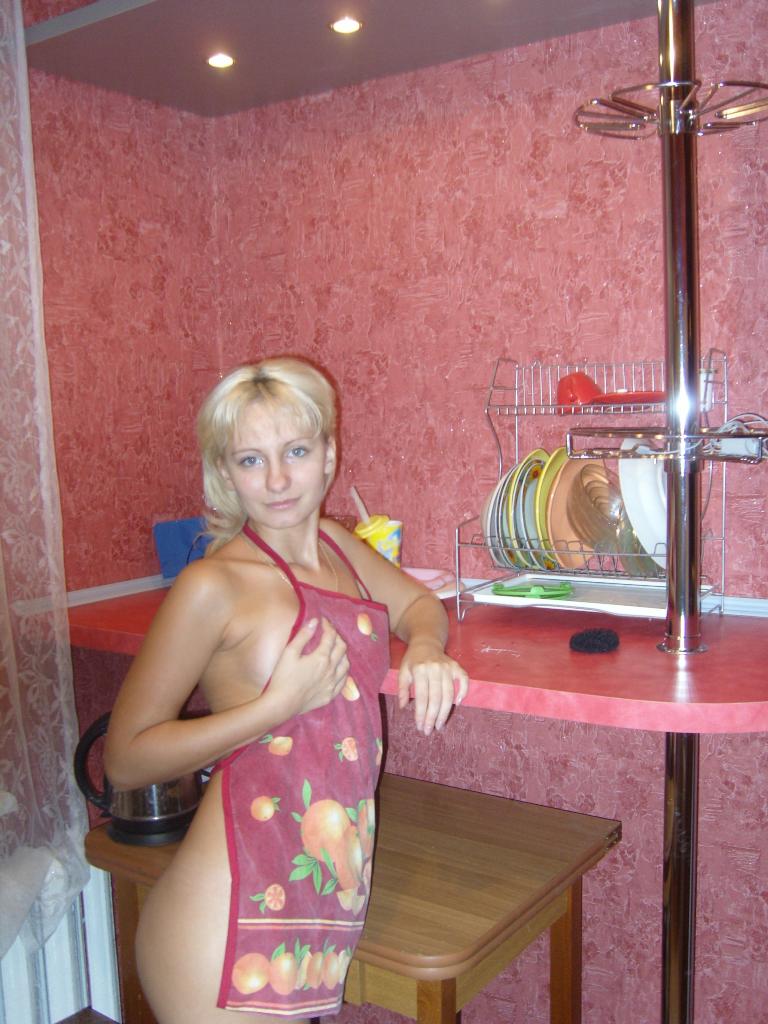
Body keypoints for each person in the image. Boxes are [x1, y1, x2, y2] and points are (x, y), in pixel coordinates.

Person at [104, 356, 468, 1024]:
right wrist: (275, 707)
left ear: (329, 455)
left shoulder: (336, 546)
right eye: (251, 460)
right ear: (225, 473)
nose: (276, 480)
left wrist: (425, 647)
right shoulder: (212, 585)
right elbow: (124, 759)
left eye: (295, 451)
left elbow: (420, 605)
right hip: (226, 921)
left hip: (314, 891)